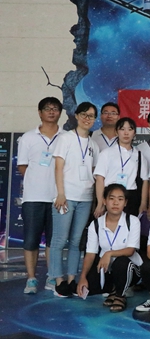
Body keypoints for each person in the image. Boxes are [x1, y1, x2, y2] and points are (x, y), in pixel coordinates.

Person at [50, 102, 100, 298]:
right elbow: (58, 167)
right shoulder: (65, 138)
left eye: (91, 116)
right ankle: (58, 280)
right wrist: (60, 193)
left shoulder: (94, 145)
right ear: (77, 116)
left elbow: (94, 173)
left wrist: (95, 200)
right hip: (66, 196)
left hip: (85, 198)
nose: (87, 118)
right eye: (84, 115)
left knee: (76, 241)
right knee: (59, 239)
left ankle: (71, 279)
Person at [17, 96, 64, 294]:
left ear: (60, 113)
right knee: (31, 240)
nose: (51, 112)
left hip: (57, 198)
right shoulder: (28, 137)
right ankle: (31, 279)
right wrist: (37, 180)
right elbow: (22, 166)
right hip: (33, 197)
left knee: (54, 241)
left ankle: (51, 277)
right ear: (39, 112)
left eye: (55, 108)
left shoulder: (66, 137)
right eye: (47, 108)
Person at [76, 184, 142, 312]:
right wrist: (82, 277)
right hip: (106, 267)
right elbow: (90, 254)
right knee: (91, 283)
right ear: (104, 201)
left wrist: (109, 253)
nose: (116, 203)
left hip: (130, 268)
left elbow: (130, 251)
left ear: (125, 203)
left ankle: (120, 295)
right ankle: (112, 290)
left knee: (121, 262)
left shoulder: (132, 221)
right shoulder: (96, 224)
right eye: (111, 198)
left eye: (120, 199)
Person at [94, 117, 149, 217]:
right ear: (116, 132)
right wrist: (100, 203)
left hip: (131, 197)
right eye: (122, 129)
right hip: (110, 196)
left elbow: (145, 181)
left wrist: (143, 204)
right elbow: (100, 179)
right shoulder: (106, 153)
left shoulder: (139, 155)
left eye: (130, 129)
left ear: (134, 133)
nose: (126, 133)